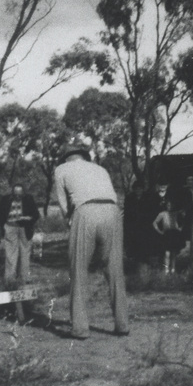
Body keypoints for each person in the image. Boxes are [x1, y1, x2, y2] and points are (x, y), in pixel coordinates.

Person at [53, 145, 129, 339]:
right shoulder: (100, 169)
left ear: (66, 158)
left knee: (78, 271)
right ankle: (122, 325)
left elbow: (63, 207)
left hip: (85, 211)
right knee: (115, 270)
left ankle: (80, 328)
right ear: (85, 157)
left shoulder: (61, 169)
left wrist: (71, 219)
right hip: (113, 211)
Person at [0, 183, 41, 322]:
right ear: (12, 193)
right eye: (16, 193)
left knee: (25, 253)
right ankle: (9, 279)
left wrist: (29, 219)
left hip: (24, 228)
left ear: (23, 193)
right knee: (11, 253)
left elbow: (36, 214)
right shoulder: (6, 200)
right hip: (10, 227)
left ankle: (23, 278)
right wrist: (4, 225)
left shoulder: (28, 199)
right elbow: (0, 214)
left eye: (20, 193)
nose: (18, 195)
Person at [151, 198, 183, 274]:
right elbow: (154, 223)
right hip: (167, 234)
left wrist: (180, 228)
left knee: (174, 252)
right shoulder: (162, 213)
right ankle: (166, 269)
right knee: (167, 253)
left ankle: (173, 269)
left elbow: (182, 220)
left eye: (171, 205)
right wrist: (159, 231)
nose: (170, 206)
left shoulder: (175, 213)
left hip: (175, 233)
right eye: (168, 205)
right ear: (166, 205)